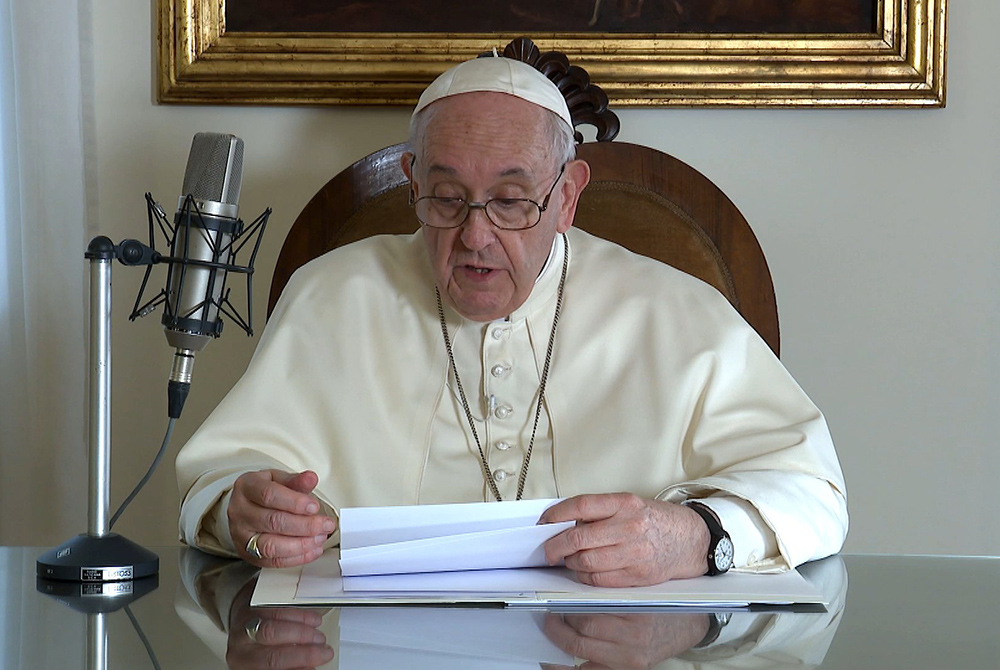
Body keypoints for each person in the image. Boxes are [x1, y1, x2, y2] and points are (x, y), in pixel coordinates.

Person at [175, 54, 848, 587]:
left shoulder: (676, 310)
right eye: (446, 199)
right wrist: (240, 508)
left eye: (512, 200)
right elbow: (224, 477)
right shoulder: (331, 296)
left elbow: (812, 491)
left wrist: (696, 536)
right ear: (411, 182)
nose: (475, 237)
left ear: (567, 196)